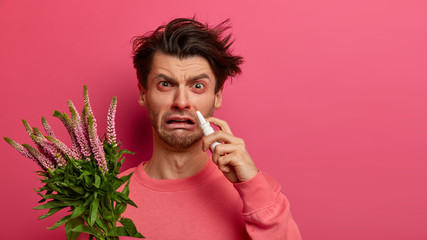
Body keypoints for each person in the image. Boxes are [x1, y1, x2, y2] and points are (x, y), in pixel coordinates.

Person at [121, 17, 302, 239]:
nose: (181, 101)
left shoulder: (260, 194)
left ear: (217, 97)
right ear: (143, 94)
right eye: (165, 84)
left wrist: (252, 187)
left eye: (197, 86)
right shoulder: (107, 198)